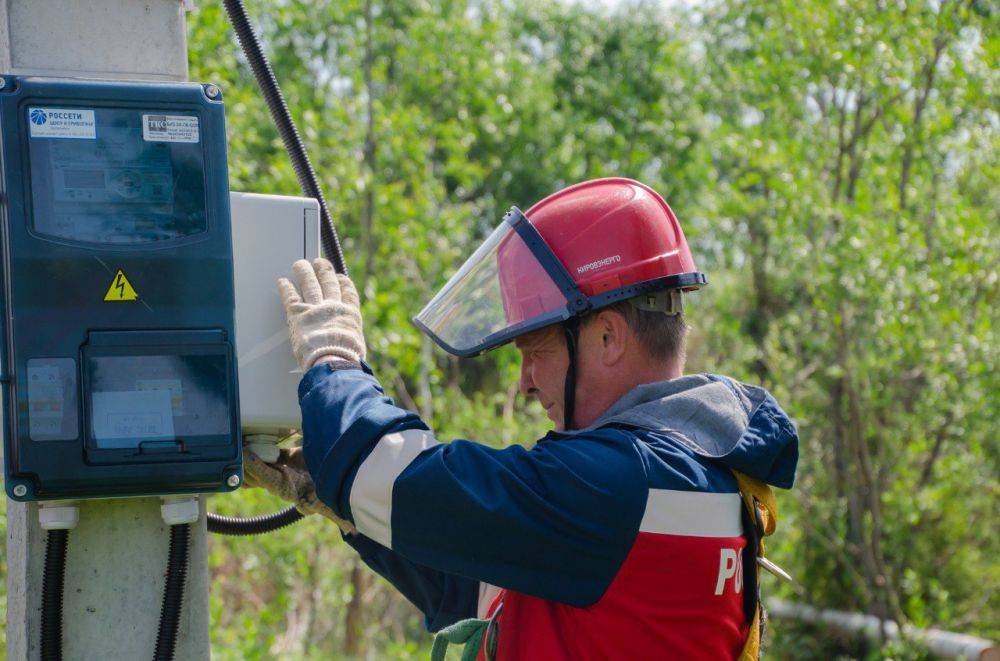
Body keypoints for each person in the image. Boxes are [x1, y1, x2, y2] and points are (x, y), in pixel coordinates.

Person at [246, 178, 798, 660]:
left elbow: (387, 475)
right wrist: (345, 507)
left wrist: (333, 359)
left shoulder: (620, 479)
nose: (525, 382)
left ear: (608, 337)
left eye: (537, 350)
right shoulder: (700, 470)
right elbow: (486, 594)